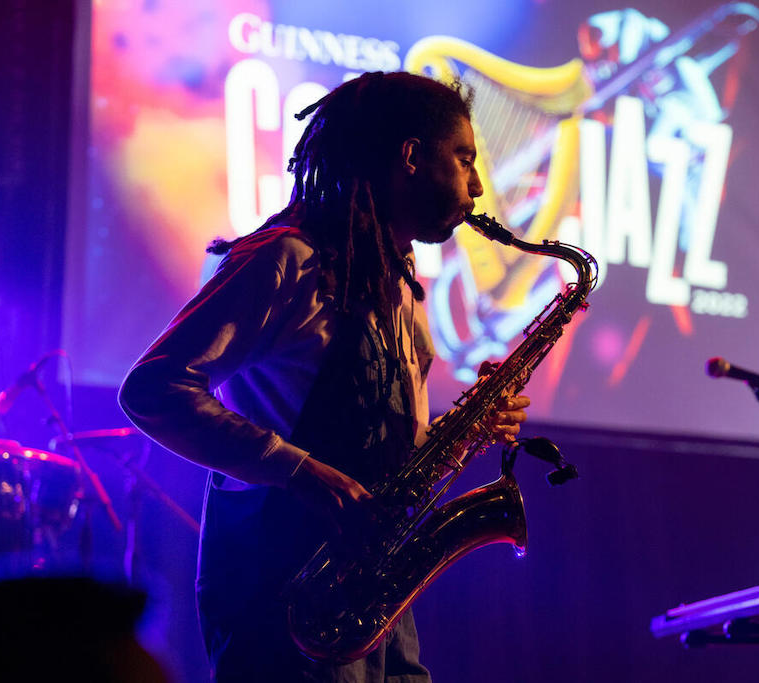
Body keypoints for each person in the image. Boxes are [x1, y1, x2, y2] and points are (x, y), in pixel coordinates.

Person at [118, 71, 531, 682]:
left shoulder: (394, 282)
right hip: (285, 593)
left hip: (373, 598)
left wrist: (463, 430)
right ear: (412, 157)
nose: (475, 184)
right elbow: (152, 389)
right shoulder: (287, 258)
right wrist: (300, 471)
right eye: (464, 158)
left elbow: (383, 461)